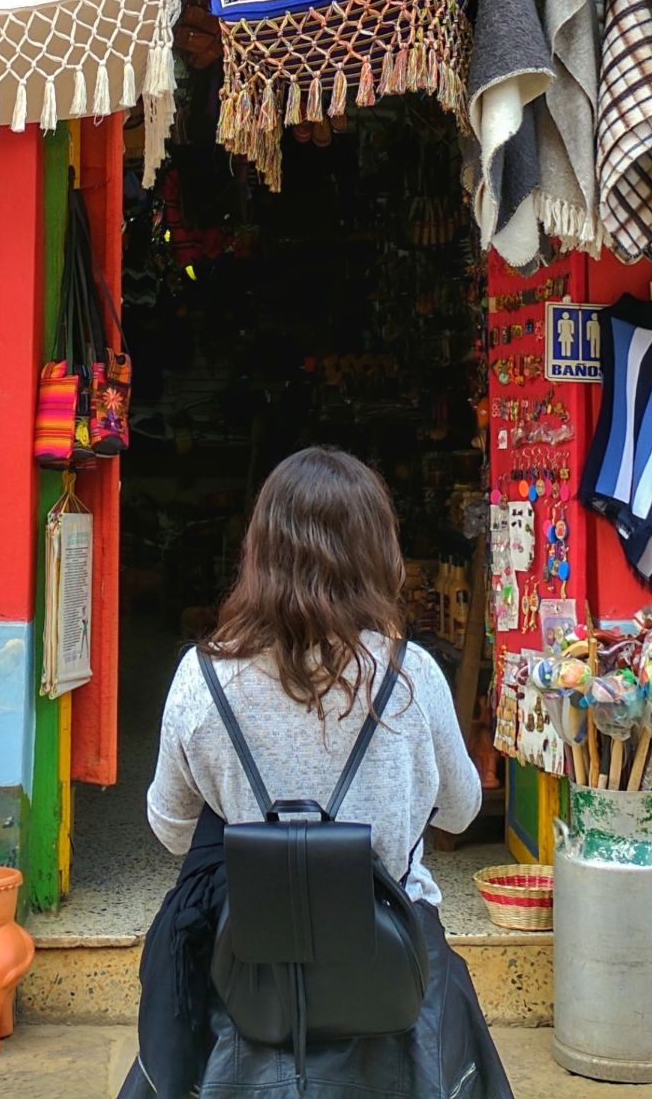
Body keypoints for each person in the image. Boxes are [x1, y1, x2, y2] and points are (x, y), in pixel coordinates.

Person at [128, 447, 504, 1099]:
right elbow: (462, 810)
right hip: (395, 956)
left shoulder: (202, 678)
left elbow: (169, 827)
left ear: (260, 551)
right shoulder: (410, 676)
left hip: (252, 964)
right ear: (377, 552)